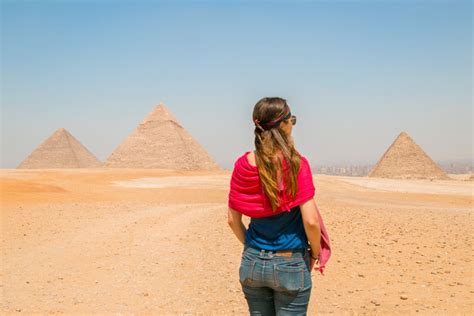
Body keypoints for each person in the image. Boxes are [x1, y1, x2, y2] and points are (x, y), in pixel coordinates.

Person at [227, 97, 331, 315]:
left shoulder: (242, 165)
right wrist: (314, 254)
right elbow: (311, 221)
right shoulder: (296, 164)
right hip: (290, 263)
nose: (292, 124)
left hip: (252, 262)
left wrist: (253, 248)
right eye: (292, 119)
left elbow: (232, 220)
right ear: (283, 124)